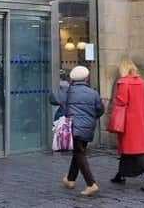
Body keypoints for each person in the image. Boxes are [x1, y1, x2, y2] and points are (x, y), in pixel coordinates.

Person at [50, 65, 104, 197]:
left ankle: (91, 184)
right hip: (88, 127)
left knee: (79, 153)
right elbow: (100, 110)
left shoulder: (67, 91)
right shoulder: (93, 93)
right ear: (86, 78)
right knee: (78, 151)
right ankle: (70, 179)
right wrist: (90, 118)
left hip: (73, 127)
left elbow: (52, 99)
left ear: (72, 78)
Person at [109, 58, 144, 192]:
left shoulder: (123, 83)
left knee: (136, 151)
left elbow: (121, 101)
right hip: (141, 120)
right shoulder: (142, 83)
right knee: (128, 149)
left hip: (129, 122)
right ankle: (120, 175)